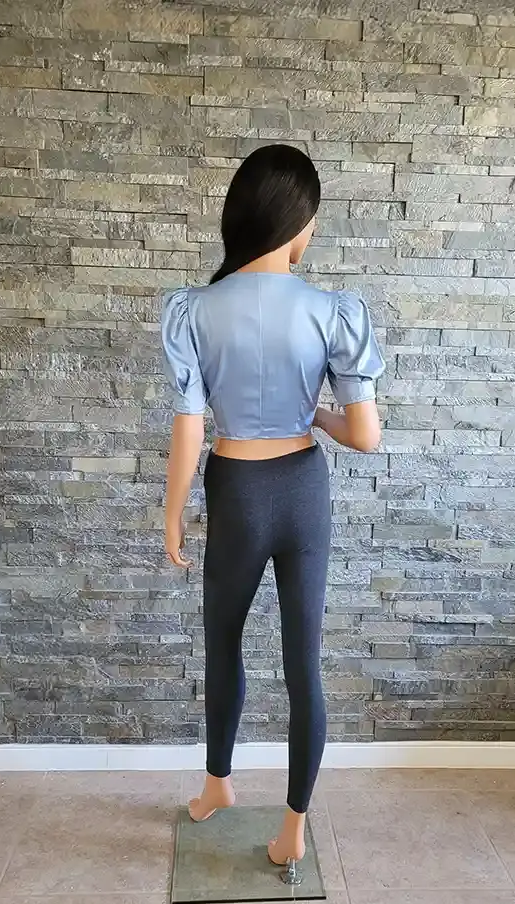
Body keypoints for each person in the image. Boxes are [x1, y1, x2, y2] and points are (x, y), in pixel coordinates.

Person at [160, 144, 385, 867]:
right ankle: (293, 827)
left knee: (223, 644)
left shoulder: (196, 310)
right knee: (303, 666)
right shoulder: (332, 311)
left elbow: (190, 426)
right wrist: (313, 413)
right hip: (303, 491)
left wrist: (171, 512)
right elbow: (366, 436)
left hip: (235, 489)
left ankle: (217, 784)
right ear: (297, 222)